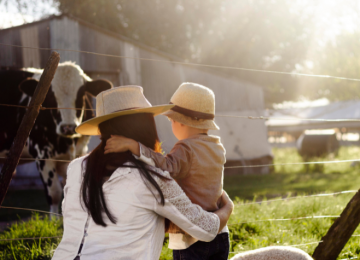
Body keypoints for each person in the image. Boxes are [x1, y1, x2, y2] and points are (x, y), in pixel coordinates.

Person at [52, 85, 234, 260]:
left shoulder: (76, 167)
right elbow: (206, 229)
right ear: (146, 127)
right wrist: (228, 208)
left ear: (103, 128)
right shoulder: (151, 180)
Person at [104, 83, 229, 260]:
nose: (171, 124)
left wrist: (135, 146)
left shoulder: (185, 147)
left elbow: (166, 167)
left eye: (171, 121)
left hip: (191, 237)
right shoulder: (217, 146)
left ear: (180, 122)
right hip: (221, 232)